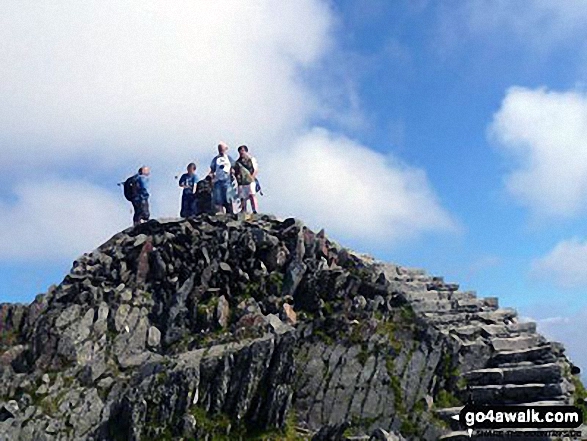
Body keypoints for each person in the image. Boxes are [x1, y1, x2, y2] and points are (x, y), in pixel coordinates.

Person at [209, 142, 236, 213]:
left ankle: (230, 214)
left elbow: (234, 167)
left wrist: (233, 172)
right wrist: (211, 176)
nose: (221, 150)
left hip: (227, 181)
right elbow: (212, 169)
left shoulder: (229, 158)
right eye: (219, 148)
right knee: (218, 199)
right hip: (218, 181)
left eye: (222, 148)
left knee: (228, 198)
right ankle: (220, 214)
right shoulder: (215, 159)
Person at [234, 145, 259, 213]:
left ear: (246, 151)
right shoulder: (237, 162)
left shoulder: (251, 159)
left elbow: (255, 169)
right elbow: (235, 172)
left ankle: (255, 210)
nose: (241, 153)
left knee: (252, 195)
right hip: (241, 182)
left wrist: (252, 178)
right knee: (242, 197)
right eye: (240, 152)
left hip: (250, 180)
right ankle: (243, 210)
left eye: (242, 151)